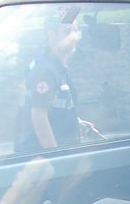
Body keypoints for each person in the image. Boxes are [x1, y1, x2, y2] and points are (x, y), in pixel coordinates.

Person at [16, 9, 90, 154]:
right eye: (67, 32)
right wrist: (55, 159)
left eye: (76, 31)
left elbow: (55, 107)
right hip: (41, 159)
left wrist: (77, 122)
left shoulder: (58, 68)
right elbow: (39, 117)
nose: (74, 36)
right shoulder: (45, 72)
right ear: (51, 36)